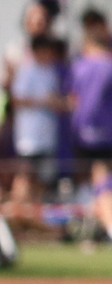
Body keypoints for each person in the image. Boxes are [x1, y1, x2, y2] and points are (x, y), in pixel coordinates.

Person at [66, 11, 112, 210]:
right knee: (103, 174)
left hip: (80, 130)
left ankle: (90, 211)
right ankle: (103, 211)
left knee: (83, 174)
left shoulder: (78, 66)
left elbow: (73, 100)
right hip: (107, 131)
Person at [8, 30, 66, 234]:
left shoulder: (49, 72)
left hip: (46, 137)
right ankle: (16, 219)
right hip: (29, 137)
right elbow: (17, 100)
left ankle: (33, 220)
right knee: (25, 177)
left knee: (41, 180)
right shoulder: (27, 71)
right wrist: (44, 101)